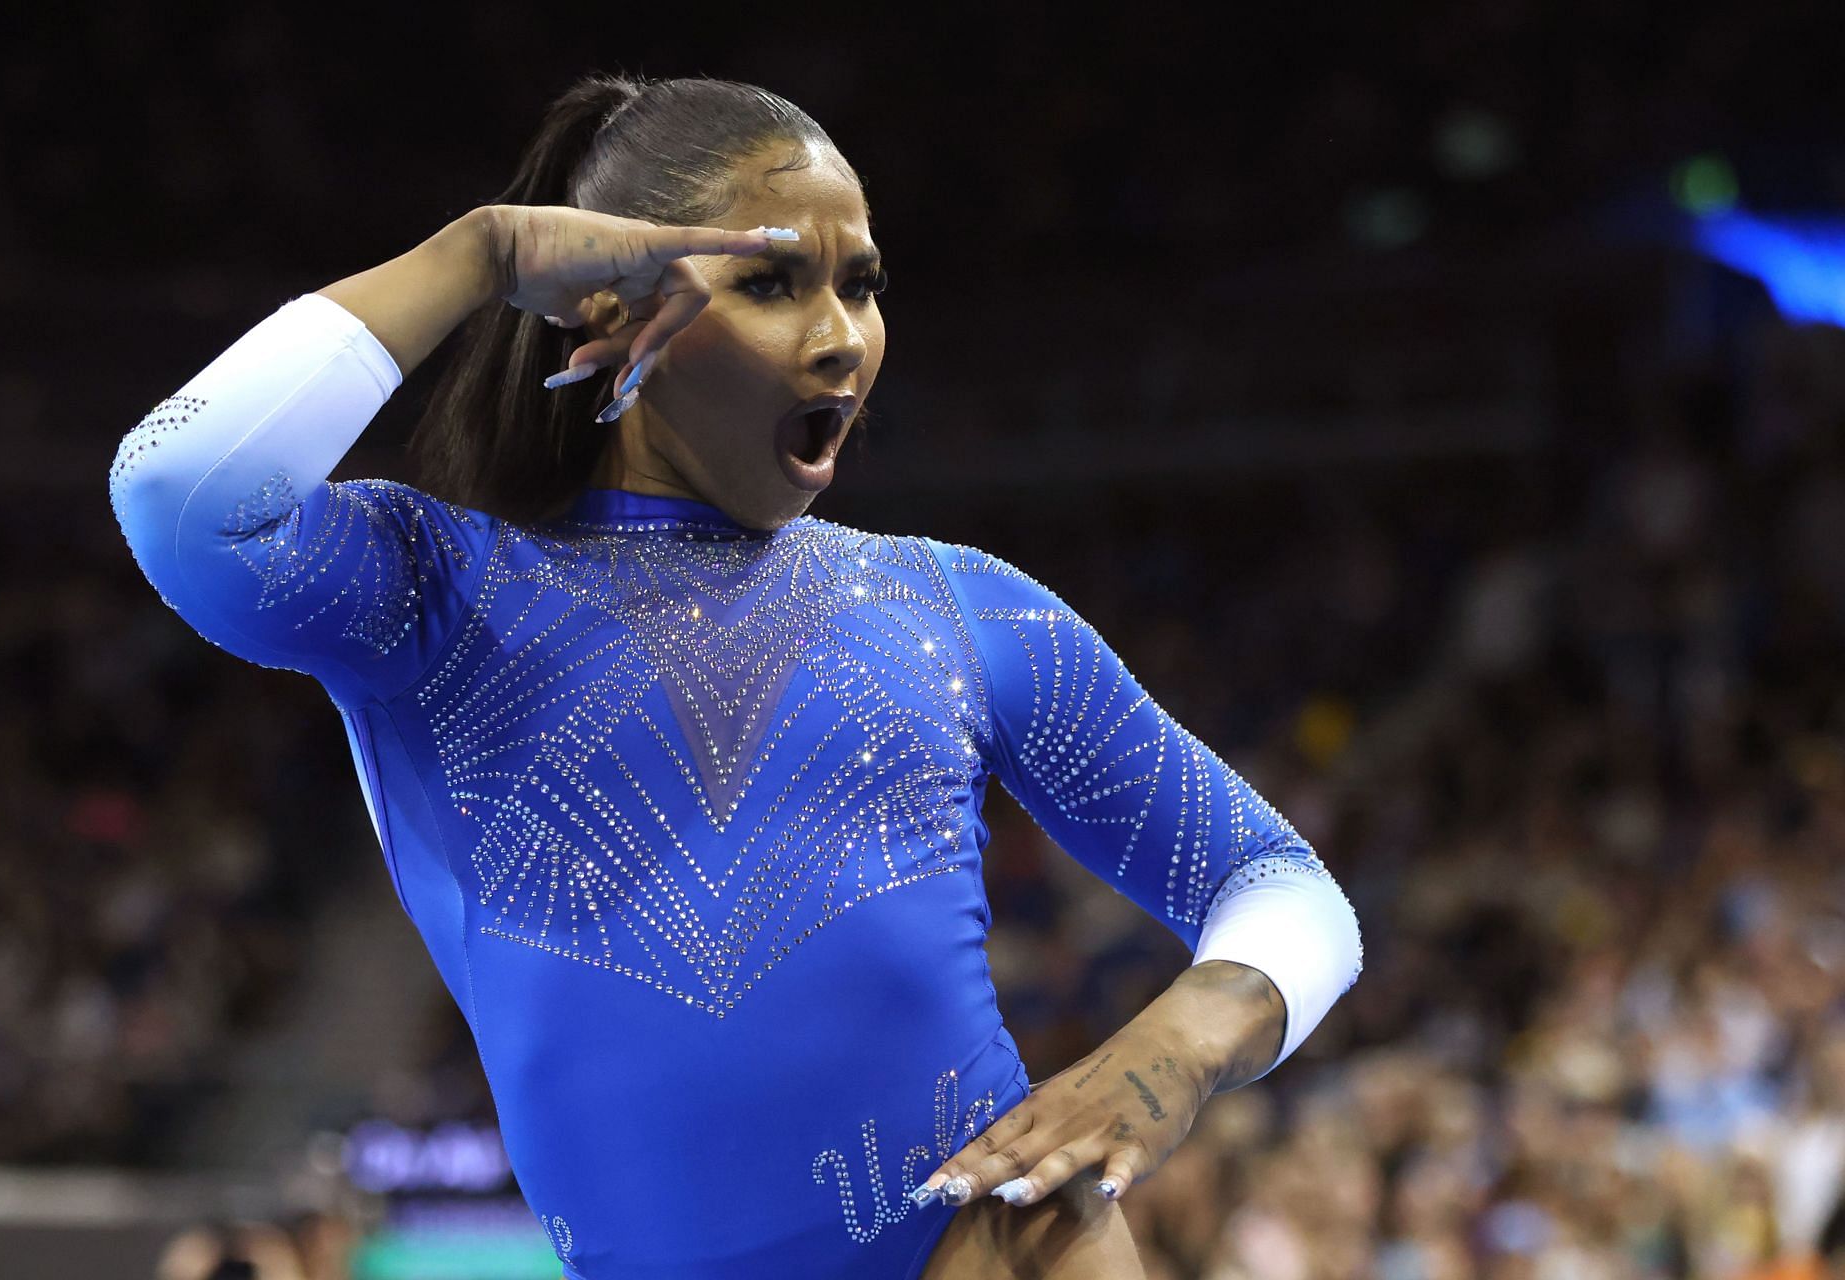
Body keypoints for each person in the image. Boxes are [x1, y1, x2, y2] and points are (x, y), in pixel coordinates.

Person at [109, 72, 1364, 1280]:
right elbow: (177, 488)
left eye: (862, 286)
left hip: (985, 1248)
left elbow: (1286, 889)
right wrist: (482, 255)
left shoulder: (953, 607)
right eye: (771, 281)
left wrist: (1177, 1046)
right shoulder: (438, 596)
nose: (840, 340)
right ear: (607, 301)